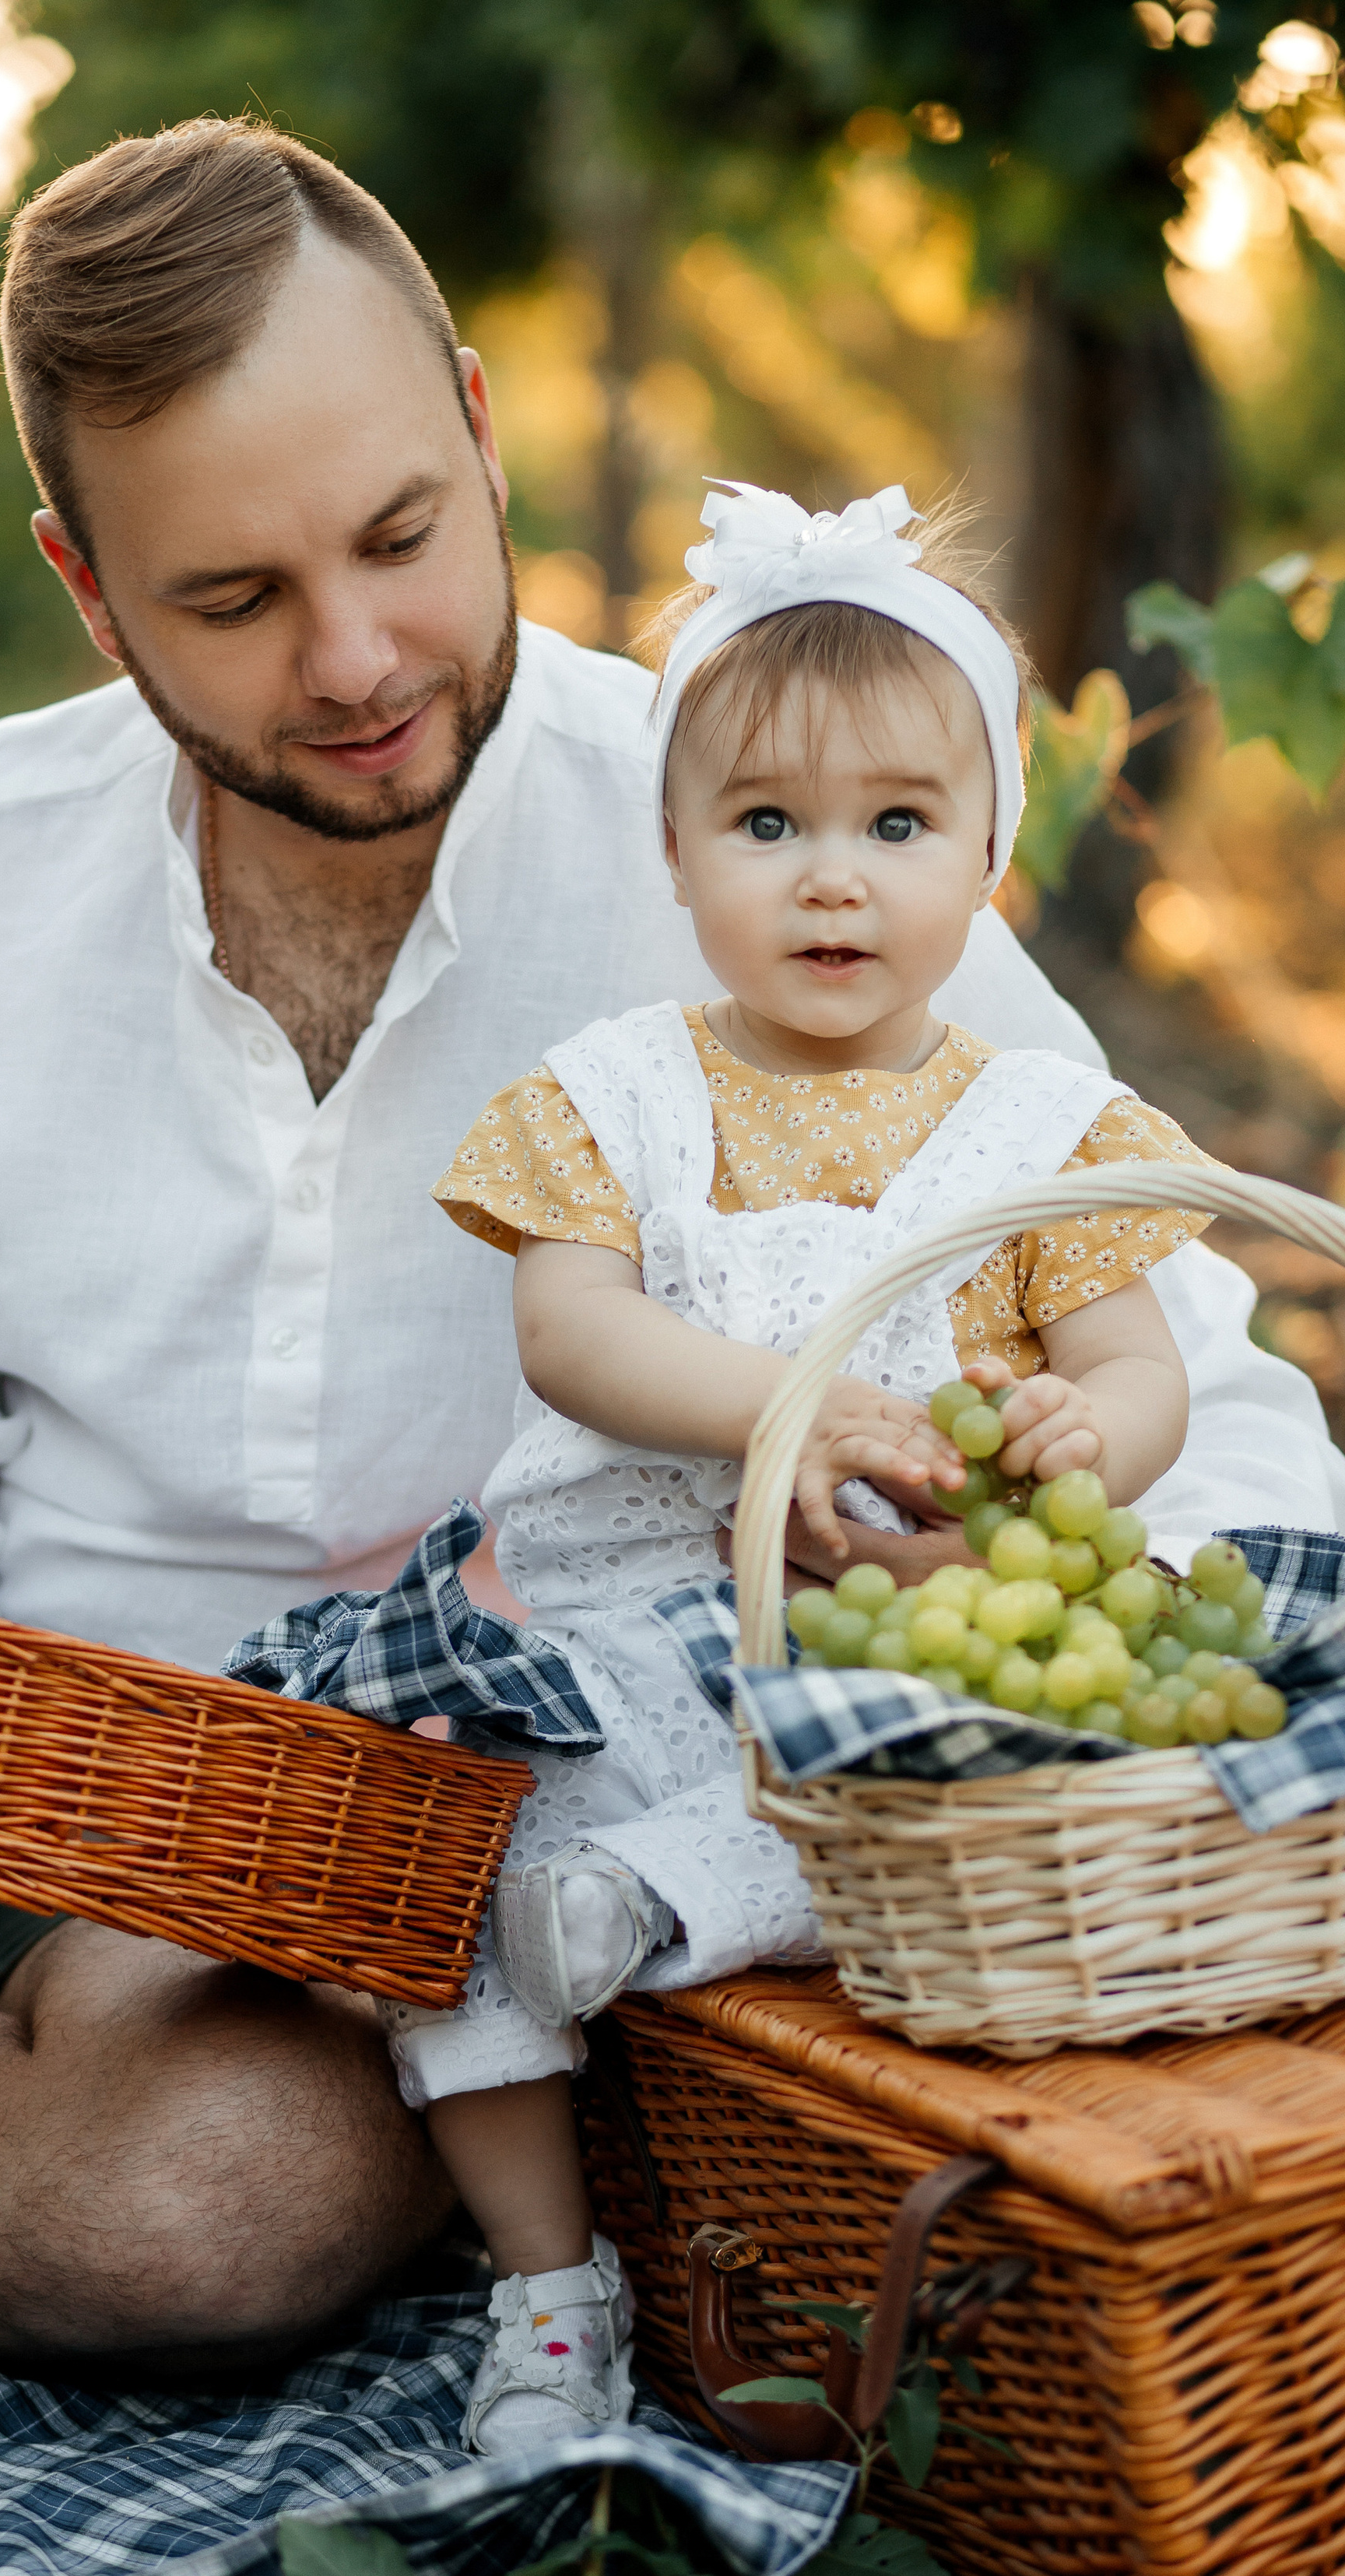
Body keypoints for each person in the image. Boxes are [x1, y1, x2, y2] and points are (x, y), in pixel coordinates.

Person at [0, 121, 1345, 2373]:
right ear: (84, 582)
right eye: (230, 601)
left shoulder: (763, 872)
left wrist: (996, 1515)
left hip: (392, 1886)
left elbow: (1228, 1434)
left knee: (198, 2214)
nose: (354, 660)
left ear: (481, 434)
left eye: (400, 540)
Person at [376, 480, 1206, 2451]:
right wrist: (781, 1402)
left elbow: (1133, 1370)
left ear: (988, 852)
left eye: (895, 829)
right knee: (457, 1873)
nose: (832, 884)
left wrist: (1097, 1430)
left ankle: (676, 1902)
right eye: (767, 828)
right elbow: (570, 1331)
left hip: (891, 1637)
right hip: (633, 1626)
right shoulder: (611, 1099)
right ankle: (547, 2295)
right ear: (675, 852)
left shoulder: (1041, 1130)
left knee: (957, 1801)